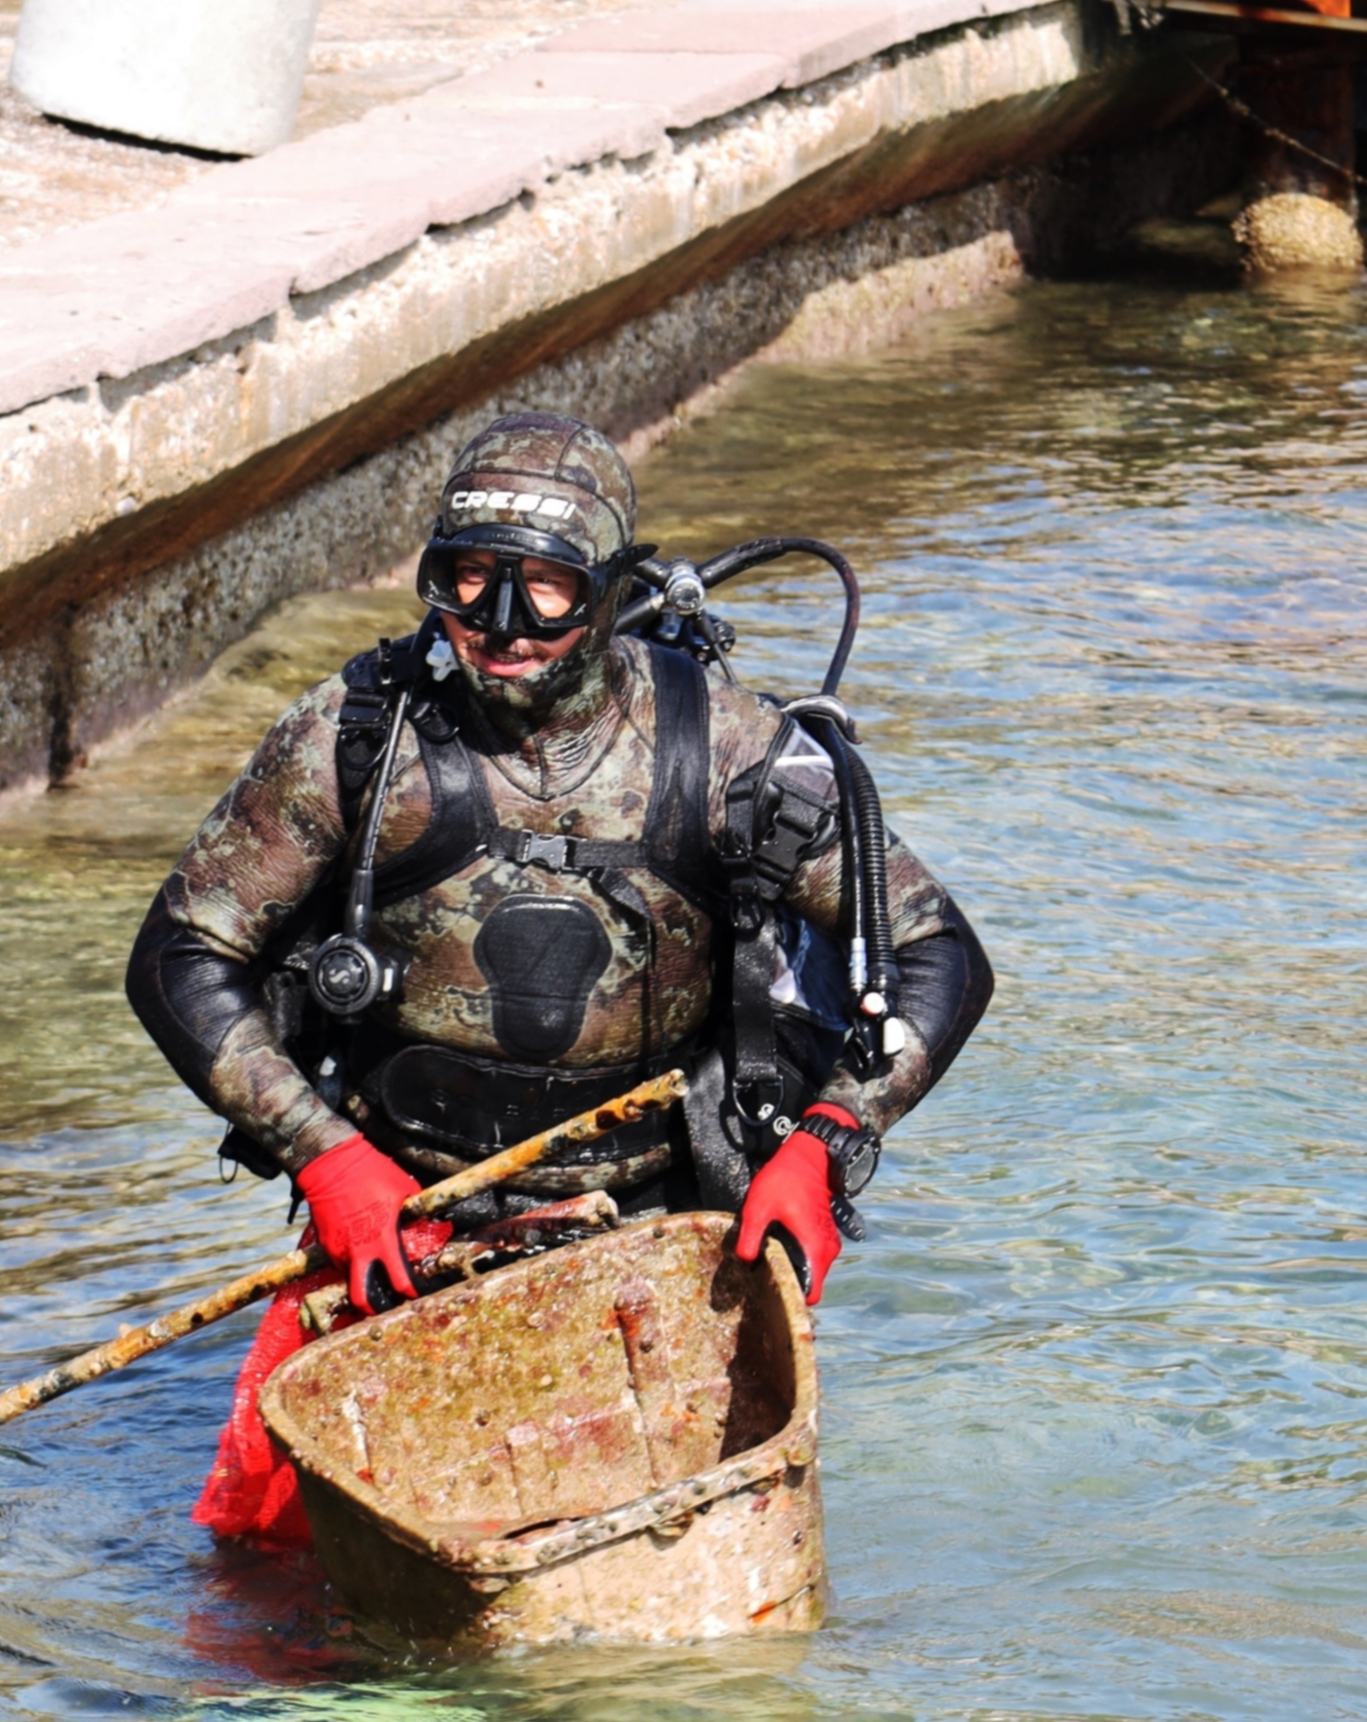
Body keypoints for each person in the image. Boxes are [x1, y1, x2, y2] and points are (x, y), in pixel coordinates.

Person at [126, 412, 992, 1541]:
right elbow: (182, 956)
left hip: (665, 1227)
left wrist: (823, 1142)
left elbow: (939, 956)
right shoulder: (356, 743)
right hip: (403, 1220)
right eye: (467, 579)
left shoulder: (729, 752)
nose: (498, 622)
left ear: (609, 588)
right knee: (271, 1591)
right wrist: (323, 1155)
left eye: (544, 588)